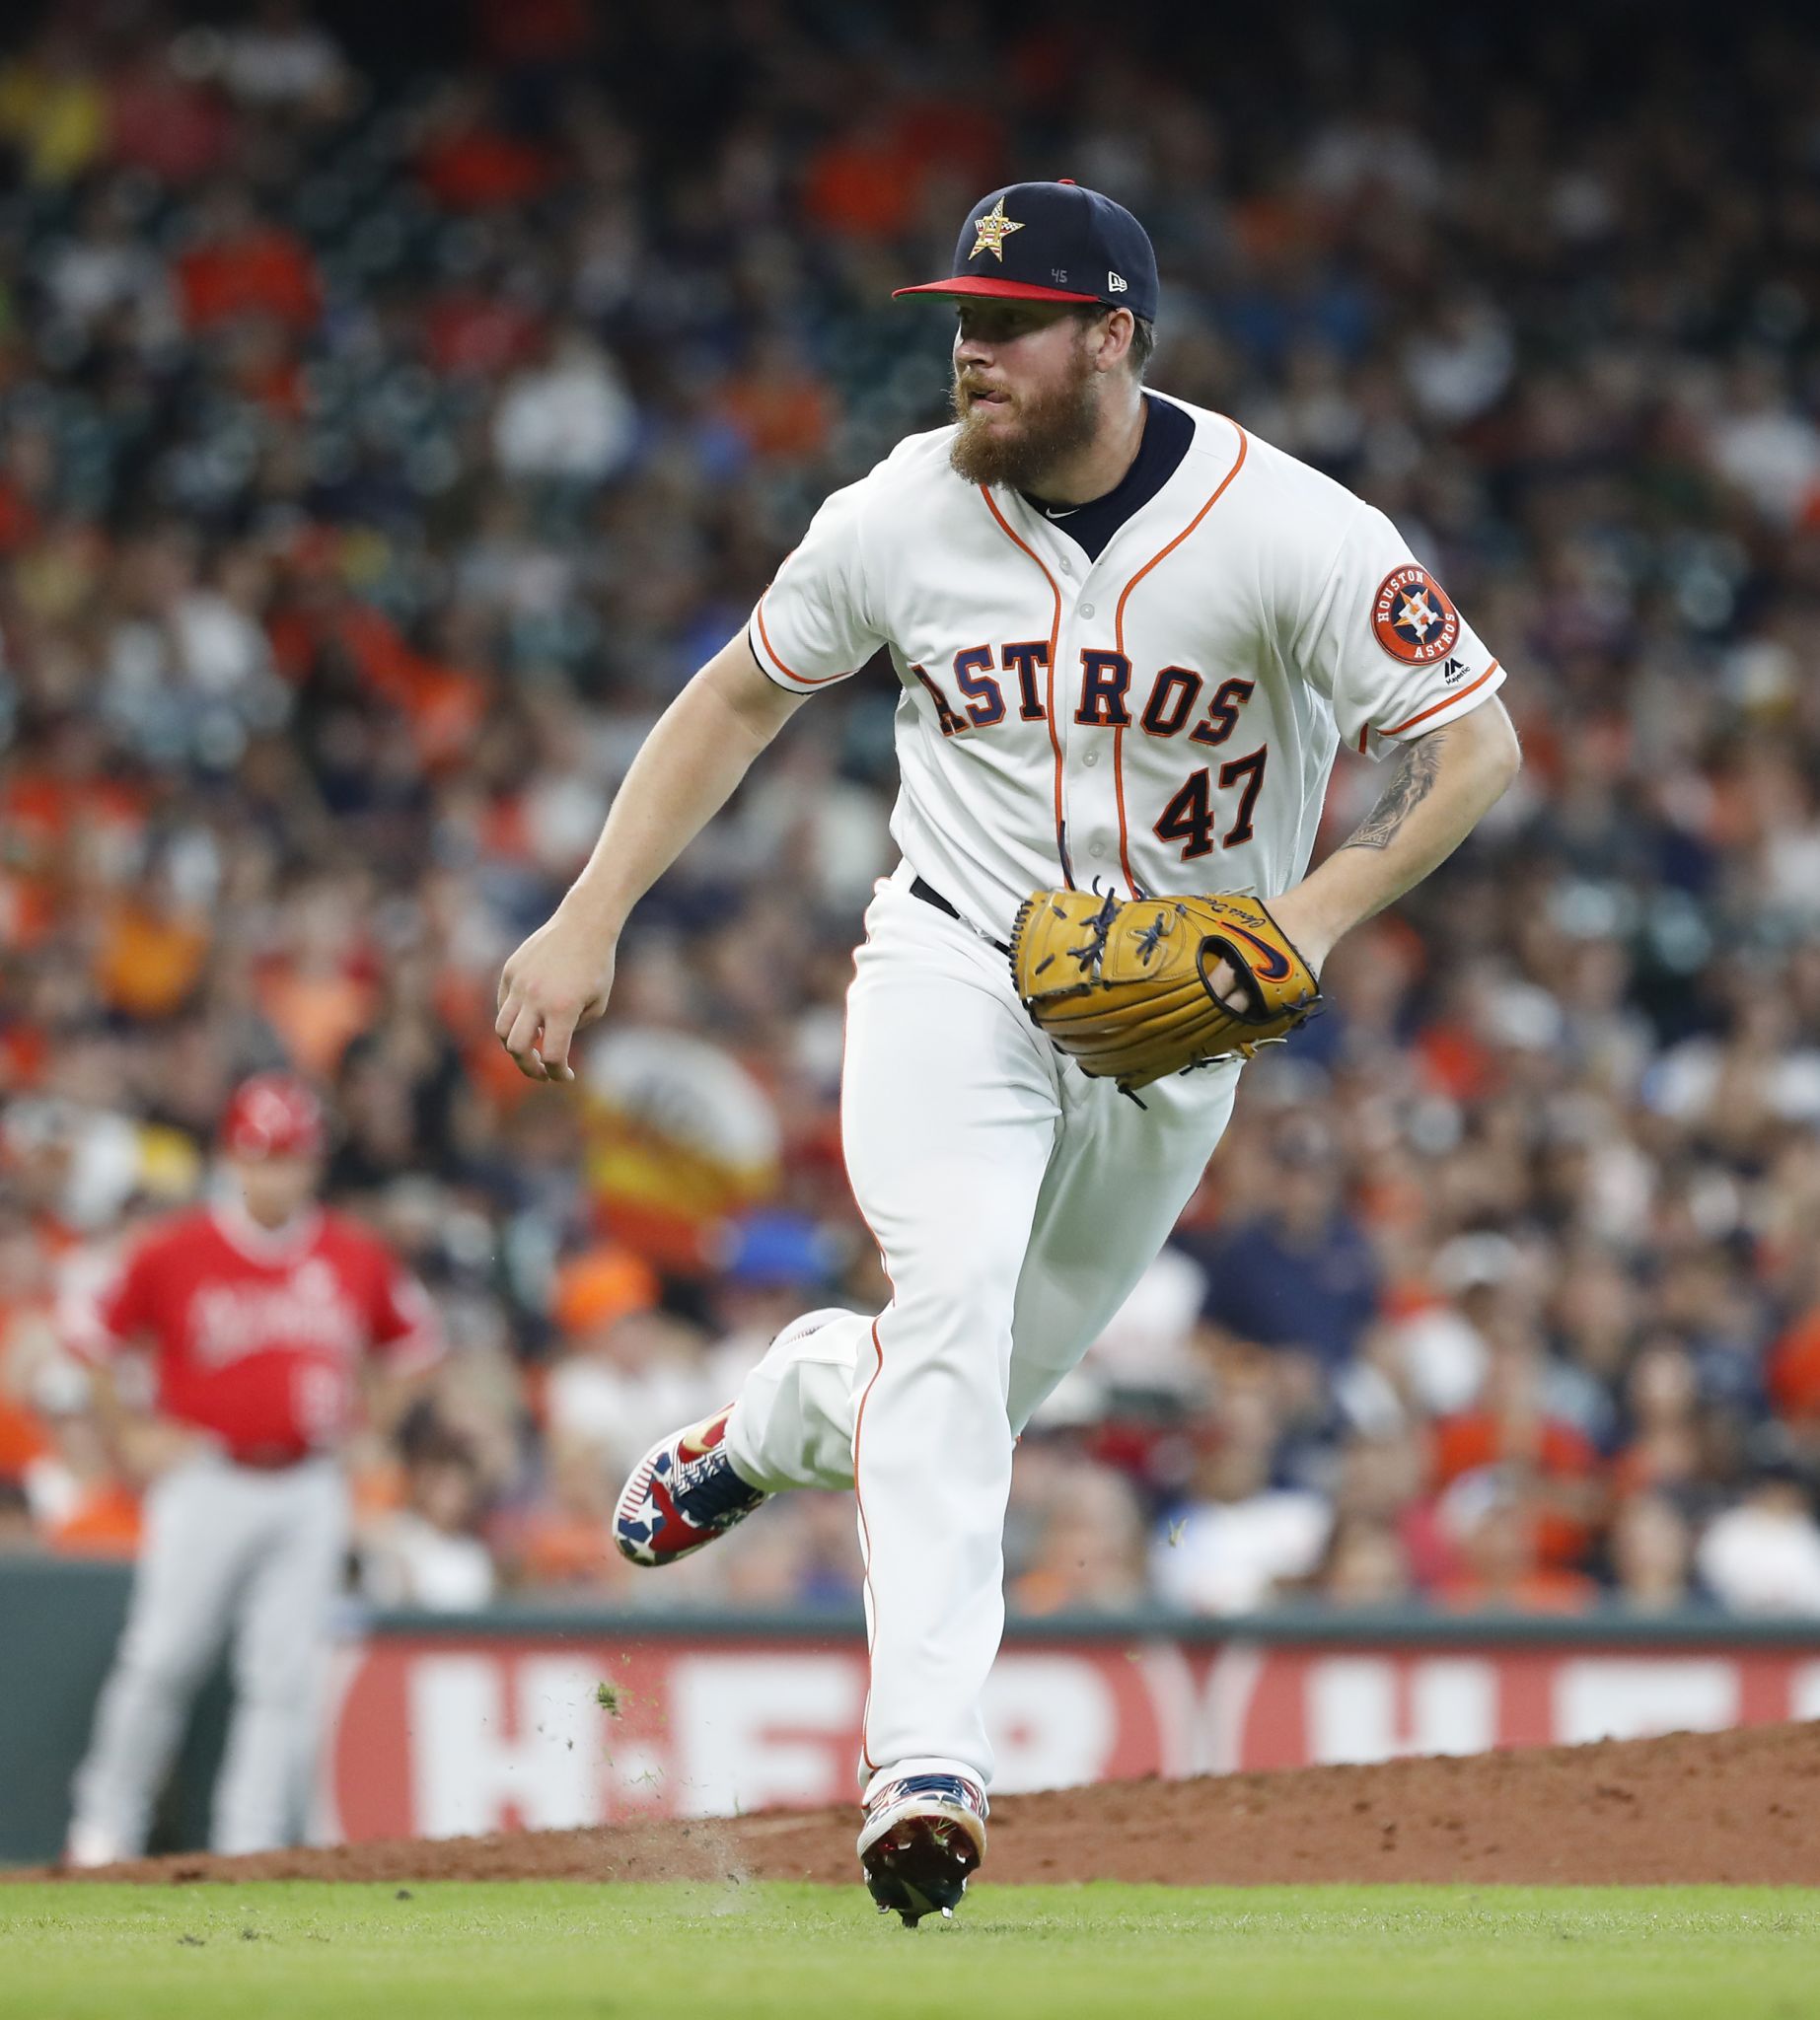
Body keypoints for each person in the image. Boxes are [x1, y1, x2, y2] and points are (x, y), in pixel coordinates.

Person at [494, 179, 1521, 1920]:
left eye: (1010, 323)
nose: (971, 350)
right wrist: (589, 910)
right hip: (953, 962)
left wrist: (1313, 918)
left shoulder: (1286, 527)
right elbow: (740, 690)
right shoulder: (902, 508)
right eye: (961, 319)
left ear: (1112, 337)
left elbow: (1473, 744)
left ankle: (778, 1414)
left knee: (962, 1391)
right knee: (957, 1312)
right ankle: (928, 1766)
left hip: (1179, 1022)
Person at [64, 1073, 442, 1865]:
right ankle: (105, 1826)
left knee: (282, 1675)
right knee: (162, 1656)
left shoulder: (350, 1252)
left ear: (315, 1163)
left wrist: (370, 1425)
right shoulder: (176, 1247)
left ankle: (250, 1842)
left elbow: (414, 1346)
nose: (279, 1173)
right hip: (208, 1474)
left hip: (307, 1481)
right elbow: (91, 1334)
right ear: (233, 1156)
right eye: (264, 1155)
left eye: (293, 1157)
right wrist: (128, 1435)